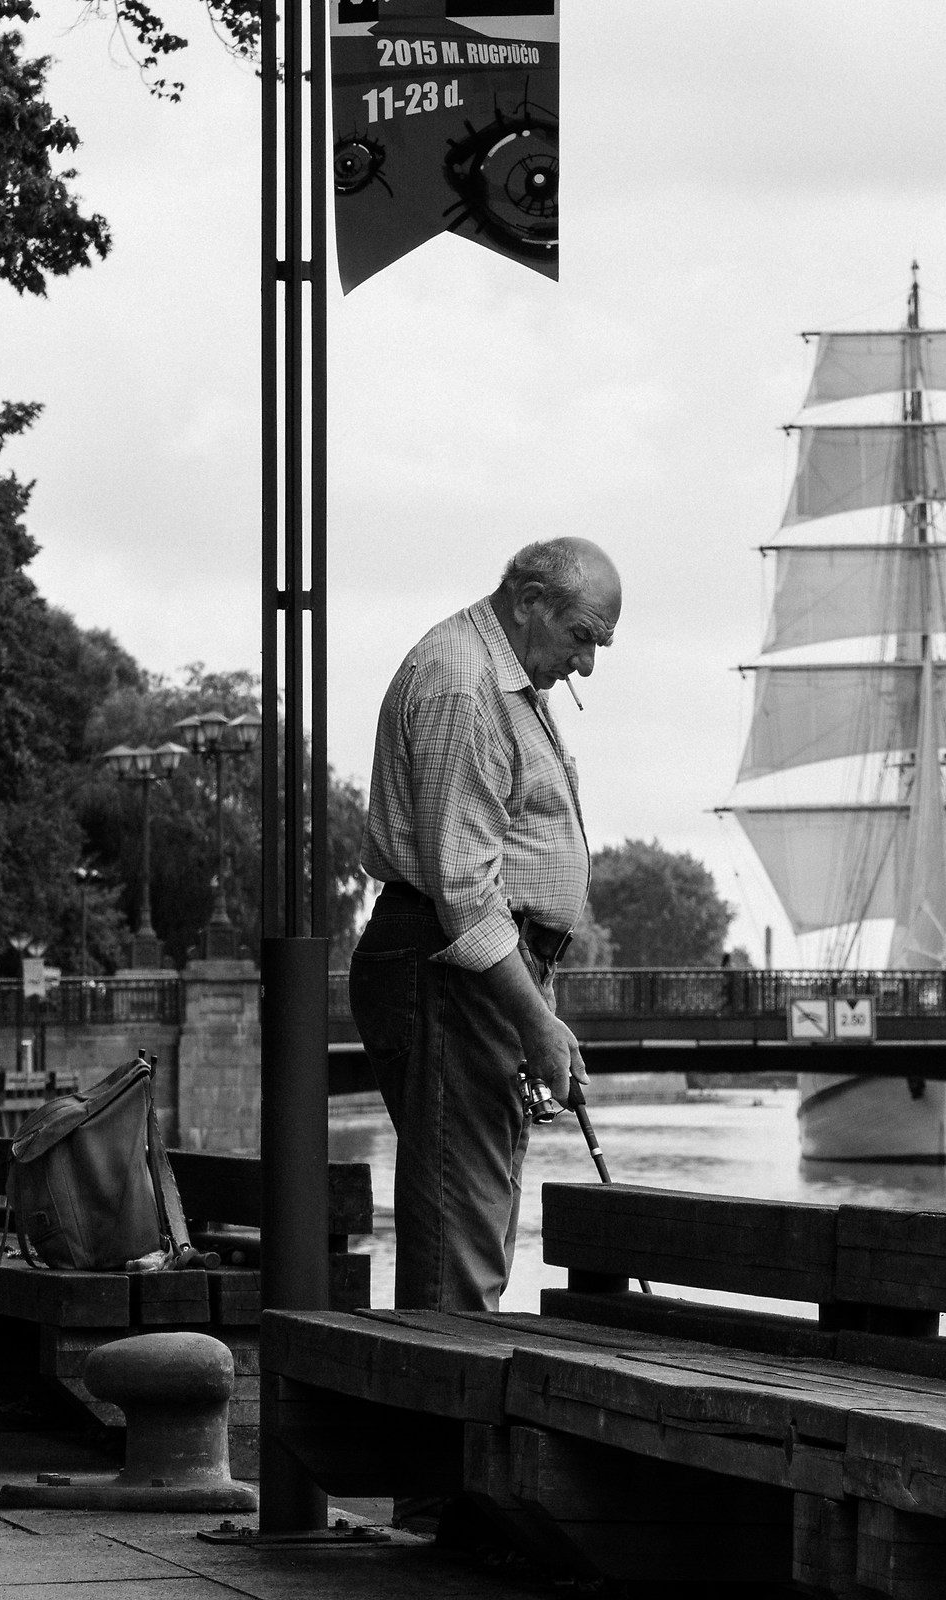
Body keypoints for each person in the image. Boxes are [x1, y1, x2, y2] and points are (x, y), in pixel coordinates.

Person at [349, 537, 621, 1313]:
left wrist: (535, 998)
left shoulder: (503, 678)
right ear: (531, 602)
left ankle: (450, 1415)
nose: (587, 664)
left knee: (477, 1213)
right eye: (582, 636)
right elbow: (465, 892)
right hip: (449, 971)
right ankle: (442, 1428)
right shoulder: (465, 684)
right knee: (460, 1231)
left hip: (472, 973)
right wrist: (533, 1018)